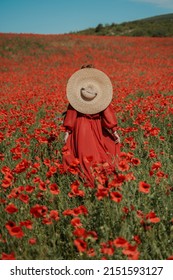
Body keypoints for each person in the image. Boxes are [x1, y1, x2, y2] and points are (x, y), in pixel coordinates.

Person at [62, 64, 120, 187]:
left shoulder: (77, 97)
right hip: (96, 126)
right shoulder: (101, 97)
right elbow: (108, 114)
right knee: (98, 153)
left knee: (84, 155)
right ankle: (99, 181)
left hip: (80, 126)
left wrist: (67, 132)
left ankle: (88, 181)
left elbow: (71, 115)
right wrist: (114, 131)